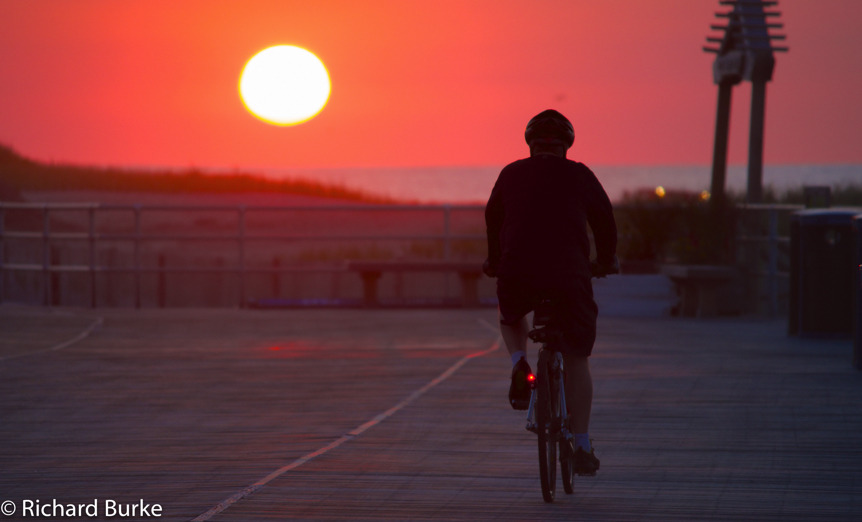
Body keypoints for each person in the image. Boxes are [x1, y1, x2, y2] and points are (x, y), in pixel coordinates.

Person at [483, 109, 618, 476]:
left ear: (529, 145)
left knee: (510, 314)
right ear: (566, 146)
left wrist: (495, 260)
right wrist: (605, 261)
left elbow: (493, 217)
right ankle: (584, 444)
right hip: (568, 274)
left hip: (518, 270)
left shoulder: (511, 174)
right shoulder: (580, 175)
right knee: (576, 356)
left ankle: (518, 363)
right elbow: (604, 220)